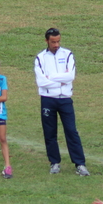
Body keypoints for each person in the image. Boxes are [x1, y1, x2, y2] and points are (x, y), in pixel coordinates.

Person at [34, 27, 90, 176]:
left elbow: (70, 76)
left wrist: (51, 77)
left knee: (71, 131)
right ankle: (54, 163)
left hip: (65, 99)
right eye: (53, 42)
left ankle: (80, 164)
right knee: (50, 132)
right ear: (47, 41)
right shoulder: (40, 58)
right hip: (48, 100)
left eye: (58, 41)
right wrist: (60, 80)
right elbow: (41, 82)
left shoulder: (67, 54)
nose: (56, 44)